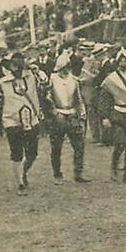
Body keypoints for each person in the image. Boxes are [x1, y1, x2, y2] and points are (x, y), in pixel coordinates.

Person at [0, 53, 44, 196]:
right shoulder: (2, 84)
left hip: (32, 120)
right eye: (13, 65)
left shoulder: (31, 78)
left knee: (32, 153)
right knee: (17, 153)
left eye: (19, 65)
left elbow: (46, 84)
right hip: (12, 122)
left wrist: (37, 71)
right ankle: (19, 183)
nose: (16, 68)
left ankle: (24, 172)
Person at [97, 48, 126, 182]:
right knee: (121, 143)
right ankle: (114, 168)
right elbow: (104, 99)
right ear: (117, 62)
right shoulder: (111, 79)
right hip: (117, 113)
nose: (123, 62)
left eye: (125, 60)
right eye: (120, 60)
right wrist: (105, 117)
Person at [46, 50, 90, 183]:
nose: (65, 71)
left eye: (67, 68)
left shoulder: (74, 80)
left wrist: (81, 113)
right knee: (56, 147)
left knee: (79, 146)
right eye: (62, 68)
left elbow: (79, 98)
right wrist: (54, 112)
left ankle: (78, 173)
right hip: (58, 116)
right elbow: (47, 98)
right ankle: (57, 174)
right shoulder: (51, 80)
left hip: (72, 115)